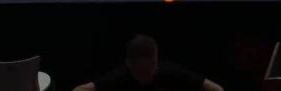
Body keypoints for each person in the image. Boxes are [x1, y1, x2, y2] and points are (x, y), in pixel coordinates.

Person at [74, 36, 222, 91]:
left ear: (156, 62)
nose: (146, 77)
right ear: (129, 65)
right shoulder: (119, 77)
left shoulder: (170, 72)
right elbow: (80, 89)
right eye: (140, 73)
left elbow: (216, 89)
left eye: (150, 71)